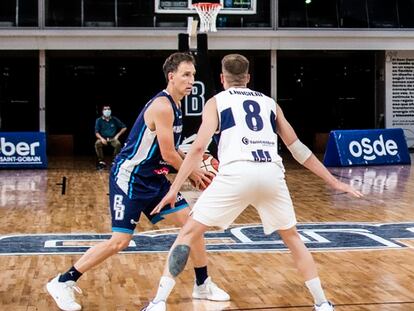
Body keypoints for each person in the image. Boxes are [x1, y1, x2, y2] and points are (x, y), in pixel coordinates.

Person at [146, 54, 364, 311]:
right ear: (248, 78)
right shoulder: (270, 103)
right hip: (271, 173)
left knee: (188, 233)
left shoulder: (216, 102)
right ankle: (322, 303)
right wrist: (334, 181)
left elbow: (197, 150)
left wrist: (174, 189)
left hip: (236, 174)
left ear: (222, 78)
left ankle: (158, 302)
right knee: (293, 238)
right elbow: (299, 150)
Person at [46, 52, 229, 311]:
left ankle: (202, 283)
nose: (191, 80)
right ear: (171, 76)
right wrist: (195, 173)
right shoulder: (163, 106)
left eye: (193, 76)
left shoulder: (176, 107)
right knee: (119, 242)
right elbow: (167, 154)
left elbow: (171, 151)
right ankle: (63, 281)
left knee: (192, 226)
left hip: (155, 178)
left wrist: (192, 162)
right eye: (186, 75)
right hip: (129, 179)